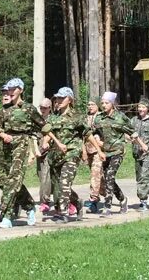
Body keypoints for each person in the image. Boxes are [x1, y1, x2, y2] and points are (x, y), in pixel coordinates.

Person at [42, 87, 104, 222]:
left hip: (72, 153)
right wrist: (45, 142)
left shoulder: (77, 116)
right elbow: (48, 133)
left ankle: (63, 213)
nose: (59, 100)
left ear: (69, 100)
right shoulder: (53, 117)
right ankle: (77, 202)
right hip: (56, 156)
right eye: (57, 98)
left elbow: (87, 134)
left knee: (65, 182)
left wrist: (98, 151)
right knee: (61, 186)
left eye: (62, 98)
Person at [0, 77, 44, 229]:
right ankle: (29, 206)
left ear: (20, 90)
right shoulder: (3, 110)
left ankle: (7, 215)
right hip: (4, 147)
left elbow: (43, 126)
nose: (10, 92)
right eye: (8, 89)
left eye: (13, 89)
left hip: (21, 144)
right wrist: (2, 135)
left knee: (14, 179)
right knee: (3, 181)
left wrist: (38, 141)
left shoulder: (28, 109)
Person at [94, 91, 135, 215]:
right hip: (105, 152)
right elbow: (95, 131)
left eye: (106, 103)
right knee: (107, 179)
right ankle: (122, 199)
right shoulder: (99, 117)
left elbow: (131, 129)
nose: (104, 105)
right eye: (102, 103)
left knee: (110, 176)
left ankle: (107, 207)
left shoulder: (120, 116)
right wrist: (96, 138)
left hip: (118, 151)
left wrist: (131, 138)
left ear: (112, 104)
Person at [84, 98, 106, 213]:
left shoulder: (102, 117)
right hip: (88, 150)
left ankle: (93, 201)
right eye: (88, 105)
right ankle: (107, 193)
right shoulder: (85, 118)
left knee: (95, 174)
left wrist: (103, 143)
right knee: (99, 177)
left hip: (99, 150)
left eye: (92, 104)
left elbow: (107, 134)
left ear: (97, 106)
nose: (90, 106)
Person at [37, 98, 54, 212]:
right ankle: (51, 193)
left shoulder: (52, 119)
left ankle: (45, 201)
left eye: (45, 108)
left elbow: (53, 133)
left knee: (45, 175)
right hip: (39, 150)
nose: (42, 110)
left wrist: (46, 142)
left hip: (50, 150)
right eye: (41, 107)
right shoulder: (38, 119)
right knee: (40, 174)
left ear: (50, 108)